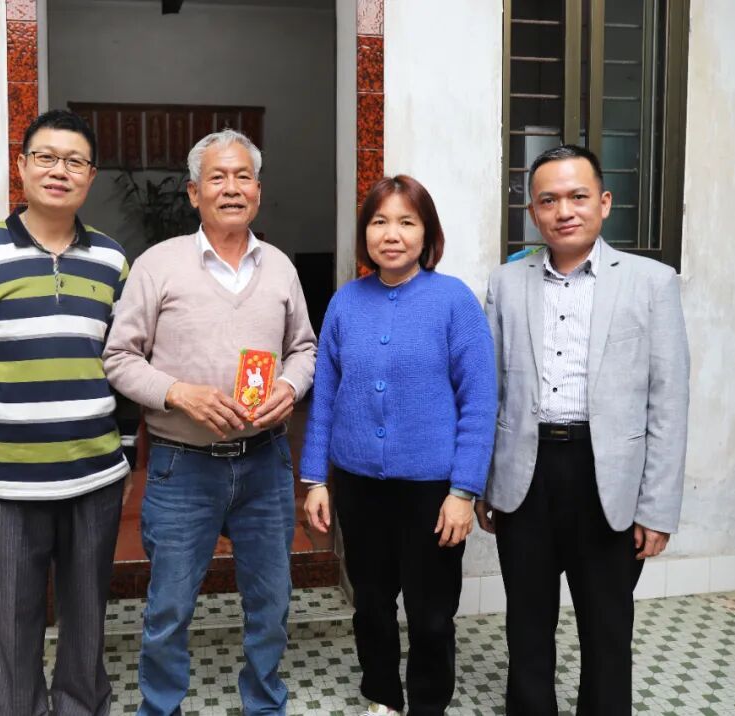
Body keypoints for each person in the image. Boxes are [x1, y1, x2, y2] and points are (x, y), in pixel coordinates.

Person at [0, 109, 138, 715]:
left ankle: (81, 706)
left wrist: (124, 456)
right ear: (21, 166)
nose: (59, 171)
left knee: (87, 620)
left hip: (94, 476)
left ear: (90, 176)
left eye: (74, 161)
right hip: (7, 485)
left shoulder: (112, 261)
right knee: (14, 623)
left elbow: (124, 365)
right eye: (46, 157)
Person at [102, 129, 317, 716]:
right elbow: (118, 358)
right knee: (169, 608)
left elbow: (304, 348)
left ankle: (265, 703)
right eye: (217, 178)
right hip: (182, 466)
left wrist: (290, 387)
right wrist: (176, 393)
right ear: (194, 193)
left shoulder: (279, 267)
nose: (231, 188)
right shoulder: (158, 265)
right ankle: (161, 708)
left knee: (270, 602)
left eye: (242, 176)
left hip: (265, 462)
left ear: (259, 191)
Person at [476, 144, 690, 715]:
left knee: (607, 627)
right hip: (526, 474)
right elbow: (492, 390)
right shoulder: (505, 282)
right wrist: (484, 482)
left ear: (604, 202)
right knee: (527, 624)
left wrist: (657, 508)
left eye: (578, 196)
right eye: (548, 200)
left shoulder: (652, 282)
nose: (564, 211)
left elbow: (669, 402)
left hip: (608, 478)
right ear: (532, 211)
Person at [301, 175, 497, 716]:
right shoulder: (345, 302)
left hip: (433, 490)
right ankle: (382, 697)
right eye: (380, 221)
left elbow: (480, 402)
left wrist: (464, 491)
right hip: (359, 486)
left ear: (426, 233)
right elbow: (325, 396)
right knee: (371, 605)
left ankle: (429, 704)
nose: (392, 234)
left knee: (432, 613)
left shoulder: (453, 301)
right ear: (365, 232)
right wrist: (315, 479)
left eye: (407, 222)